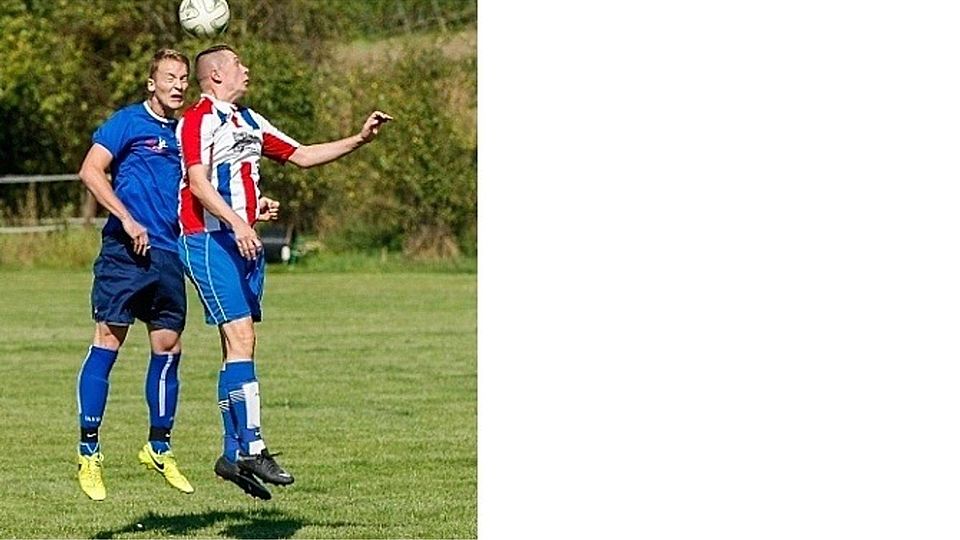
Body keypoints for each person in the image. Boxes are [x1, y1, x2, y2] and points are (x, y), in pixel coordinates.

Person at [176, 44, 392, 500]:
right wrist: (238, 222)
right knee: (242, 338)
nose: (246, 69)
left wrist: (359, 139)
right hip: (209, 240)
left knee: (235, 349)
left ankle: (231, 453)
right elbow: (197, 184)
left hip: (242, 242)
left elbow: (302, 155)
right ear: (215, 75)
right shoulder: (198, 119)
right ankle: (254, 447)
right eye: (237, 64)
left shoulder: (249, 120)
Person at [74, 49, 195, 501]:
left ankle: (158, 448)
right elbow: (90, 171)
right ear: (151, 83)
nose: (178, 85)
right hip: (125, 253)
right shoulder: (127, 122)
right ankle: (89, 451)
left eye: (183, 78)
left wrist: (250, 209)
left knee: (169, 347)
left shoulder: (185, 133)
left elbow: (198, 189)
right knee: (109, 341)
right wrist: (126, 218)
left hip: (167, 253)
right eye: (169, 77)